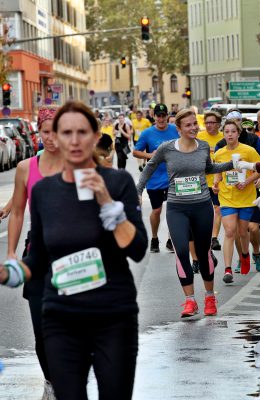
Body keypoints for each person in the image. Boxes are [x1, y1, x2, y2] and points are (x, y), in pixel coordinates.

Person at [0, 101, 148, 400]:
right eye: (66, 132)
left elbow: (137, 249)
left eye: (82, 132)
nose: (75, 140)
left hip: (113, 315)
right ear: (53, 137)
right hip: (62, 317)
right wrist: (9, 272)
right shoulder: (44, 191)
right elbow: (39, 258)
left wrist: (106, 201)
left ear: (95, 137)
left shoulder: (118, 182)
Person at [136, 108, 233, 317]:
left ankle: (209, 297)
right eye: (188, 125)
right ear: (178, 128)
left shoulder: (204, 147)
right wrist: (138, 190)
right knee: (181, 251)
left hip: (201, 206)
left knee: (203, 250)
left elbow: (209, 168)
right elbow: (149, 168)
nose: (193, 128)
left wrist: (233, 164)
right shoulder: (167, 148)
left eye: (194, 124)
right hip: (177, 208)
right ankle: (190, 301)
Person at [4, 107, 63, 400]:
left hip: (72, 254)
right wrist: (11, 252)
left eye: (57, 131)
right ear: (39, 133)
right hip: (37, 253)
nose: (51, 138)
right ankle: (51, 382)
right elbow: (17, 212)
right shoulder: (27, 167)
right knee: (41, 327)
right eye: (45, 132)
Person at [213, 120, 260, 284]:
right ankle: (227, 269)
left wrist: (247, 182)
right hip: (227, 197)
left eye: (233, 131)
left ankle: (245, 255)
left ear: (238, 133)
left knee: (243, 232)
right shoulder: (219, 153)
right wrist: (215, 184)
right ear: (224, 134)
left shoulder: (248, 150)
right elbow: (218, 173)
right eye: (226, 132)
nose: (229, 135)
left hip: (246, 197)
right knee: (229, 232)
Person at [132, 103, 180, 253]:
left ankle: (171, 240)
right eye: (158, 116)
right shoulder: (147, 133)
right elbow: (135, 152)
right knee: (157, 210)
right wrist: (149, 155)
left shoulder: (174, 130)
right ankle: (154, 238)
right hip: (154, 178)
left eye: (163, 115)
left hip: (173, 177)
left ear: (167, 116)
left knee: (173, 210)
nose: (161, 118)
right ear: (154, 116)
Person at [197, 110, 224, 251]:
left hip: (217, 180)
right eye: (206, 122)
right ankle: (202, 236)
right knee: (202, 211)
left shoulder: (224, 137)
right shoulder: (199, 137)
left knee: (217, 209)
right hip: (201, 179)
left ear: (218, 124)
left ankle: (214, 238)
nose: (209, 125)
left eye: (212, 122)